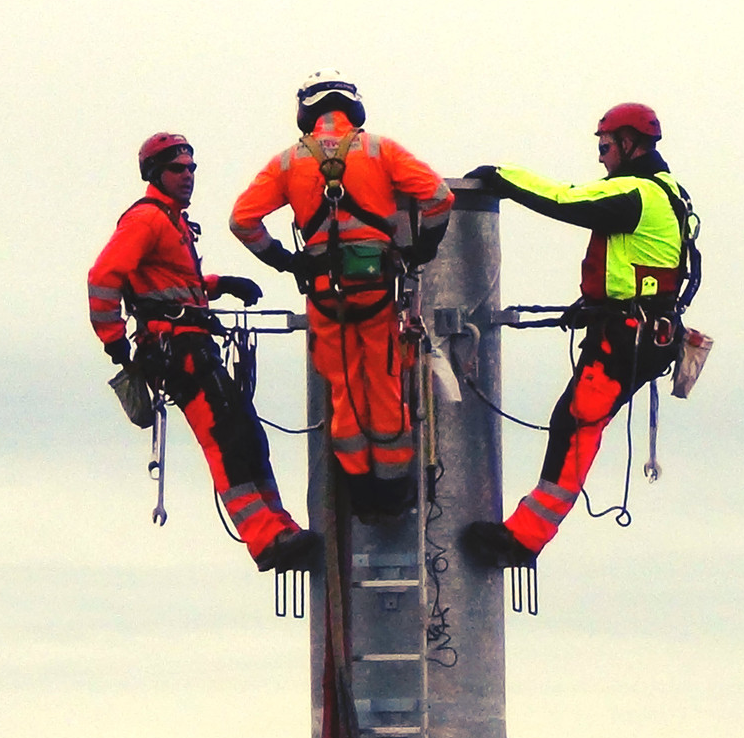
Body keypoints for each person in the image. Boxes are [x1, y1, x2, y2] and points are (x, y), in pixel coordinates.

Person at [458, 102, 699, 569]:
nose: (602, 156)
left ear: (629, 144)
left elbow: (566, 200)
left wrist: (502, 177)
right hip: (641, 333)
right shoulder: (670, 192)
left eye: (605, 146)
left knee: (575, 426)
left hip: (627, 337)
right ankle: (525, 536)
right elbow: (638, 266)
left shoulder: (637, 195)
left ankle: (523, 540)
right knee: (574, 423)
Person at [88, 132, 321, 572]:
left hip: (193, 341)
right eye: (179, 169)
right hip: (175, 349)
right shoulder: (146, 220)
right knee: (226, 443)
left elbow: (170, 282)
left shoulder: (171, 221)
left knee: (248, 438)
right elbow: (104, 277)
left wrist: (220, 285)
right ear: (157, 173)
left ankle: (280, 527)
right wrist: (115, 342)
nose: (189, 176)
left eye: (192, 168)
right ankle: (264, 538)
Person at [230, 69, 453, 522]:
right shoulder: (379, 149)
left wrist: (285, 262)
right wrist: (419, 251)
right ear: (352, 108)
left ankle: (360, 491)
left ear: (305, 112)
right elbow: (440, 197)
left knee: (343, 387)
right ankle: (394, 493)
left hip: (324, 293)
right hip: (375, 289)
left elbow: (242, 220)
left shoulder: (288, 162)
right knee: (386, 380)